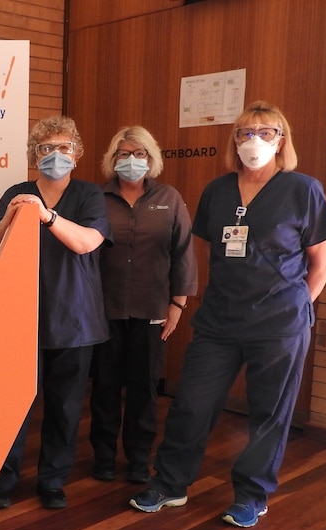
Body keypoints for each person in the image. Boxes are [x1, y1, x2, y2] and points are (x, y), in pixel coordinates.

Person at [129, 101, 326, 528]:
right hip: (219, 322)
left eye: (266, 132)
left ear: (282, 140)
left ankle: (251, 495)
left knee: (268, 413)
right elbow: (217, 250)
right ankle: (170, 484)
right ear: (234, 141)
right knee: (192, 404)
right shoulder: (218, 190)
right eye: (245, 132)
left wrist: (297, 306)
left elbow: (323, 262)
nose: (254, 140)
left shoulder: (303, 189)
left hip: (279, 325)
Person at [0, 115, 111, 510]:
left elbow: (88, 242)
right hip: (21, 316)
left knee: (66, 405)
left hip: (75, 319)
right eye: (45, 148)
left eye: (63, 148)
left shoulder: (90, 195)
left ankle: (52, 481)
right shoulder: (17, 192)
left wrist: (48, 216)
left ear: (77, 154)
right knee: (13, 405)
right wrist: (13, 214)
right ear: (33, 155)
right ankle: (2, 482)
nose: (55, 155)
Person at [90, 126, 198, 484]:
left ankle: (138, 457)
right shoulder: (96, 198)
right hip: (104, 308)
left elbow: (183, 253)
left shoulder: (169, 197)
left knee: (144, 387)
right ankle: (103, 455)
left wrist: (177, 305)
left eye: (139, 154)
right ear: (112, 158)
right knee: (105, 385)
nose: (131, 160)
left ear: (151, 159)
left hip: (152, 307)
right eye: (124, 153)